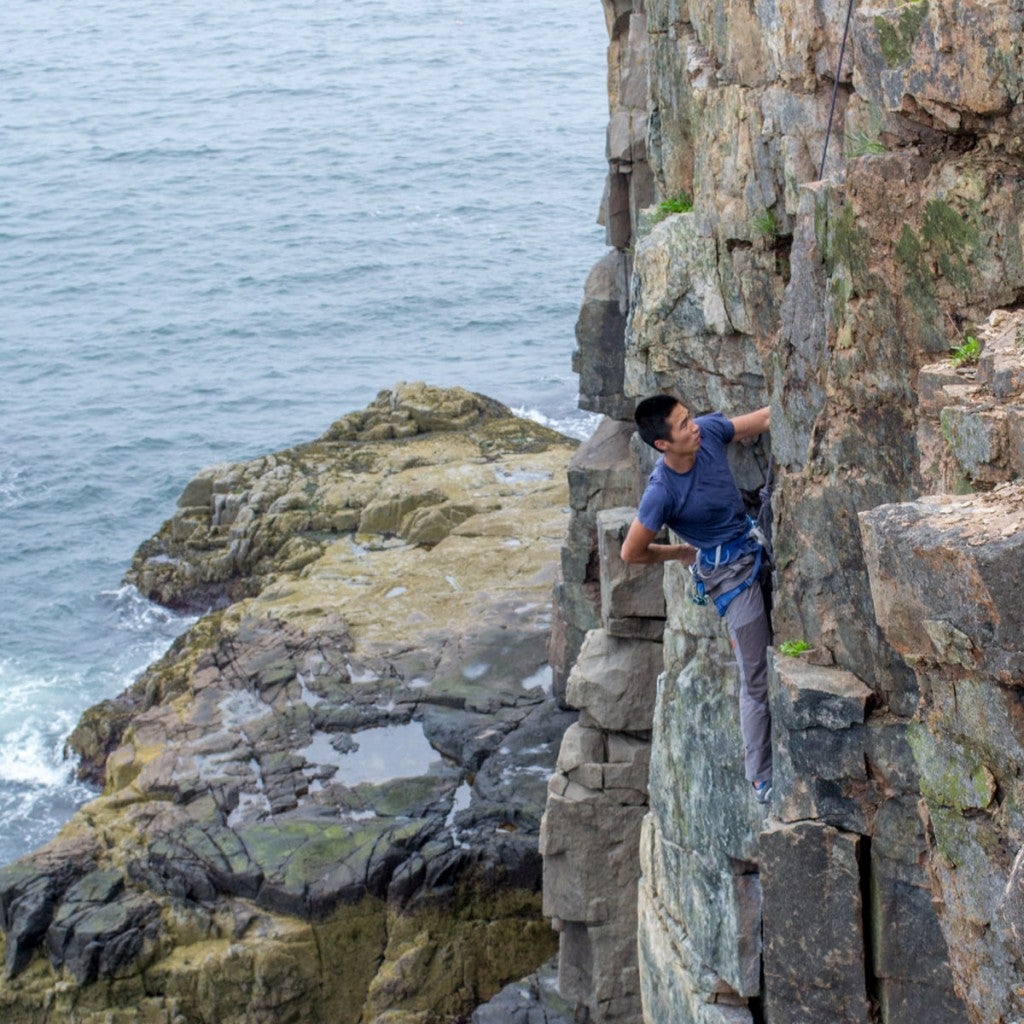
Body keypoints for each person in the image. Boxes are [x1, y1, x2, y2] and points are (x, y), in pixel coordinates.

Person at [621, 394, 773, 803]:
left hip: (756, 540)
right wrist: (682, 553)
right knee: (755, 674)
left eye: (689, 417)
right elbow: (631, 553)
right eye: (683, 424)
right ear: (663, 444)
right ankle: (760, 775)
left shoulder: (707, 434)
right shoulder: (661, 493)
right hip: (729, 577)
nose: (695, 427)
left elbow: (760, 420)